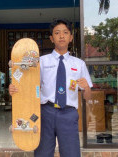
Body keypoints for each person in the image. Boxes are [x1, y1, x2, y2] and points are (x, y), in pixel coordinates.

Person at [9, 19, 93, 157]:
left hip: (69, 114)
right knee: (42, 153)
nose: (61, 36)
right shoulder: (40, 61)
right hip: (45, 113)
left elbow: (88, 97)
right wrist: (13, 88)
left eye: (65, 33)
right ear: (51, 38)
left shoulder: (79, 64)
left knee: (71, 154)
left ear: (71, 37)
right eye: (57, 33)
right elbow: (25, 81)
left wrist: (87, 89)